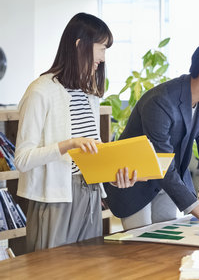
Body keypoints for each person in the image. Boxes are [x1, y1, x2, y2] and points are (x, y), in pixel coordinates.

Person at [14, 13, 137, 252]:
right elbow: (22, 159)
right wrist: (68, 144)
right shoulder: (40, 91)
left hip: (90, 195)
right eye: (102, 48)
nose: (102, 58)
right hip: (55, 199)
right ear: (80, 45)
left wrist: (113, 176)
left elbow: (95, 150)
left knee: (86, 269)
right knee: (51, 271)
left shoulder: (88, 94)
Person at [104, 40, 199, 230]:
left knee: (167, 244)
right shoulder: (161, 102)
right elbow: (162, 162)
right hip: (135, 182)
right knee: (140, 247)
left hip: (171, 183)